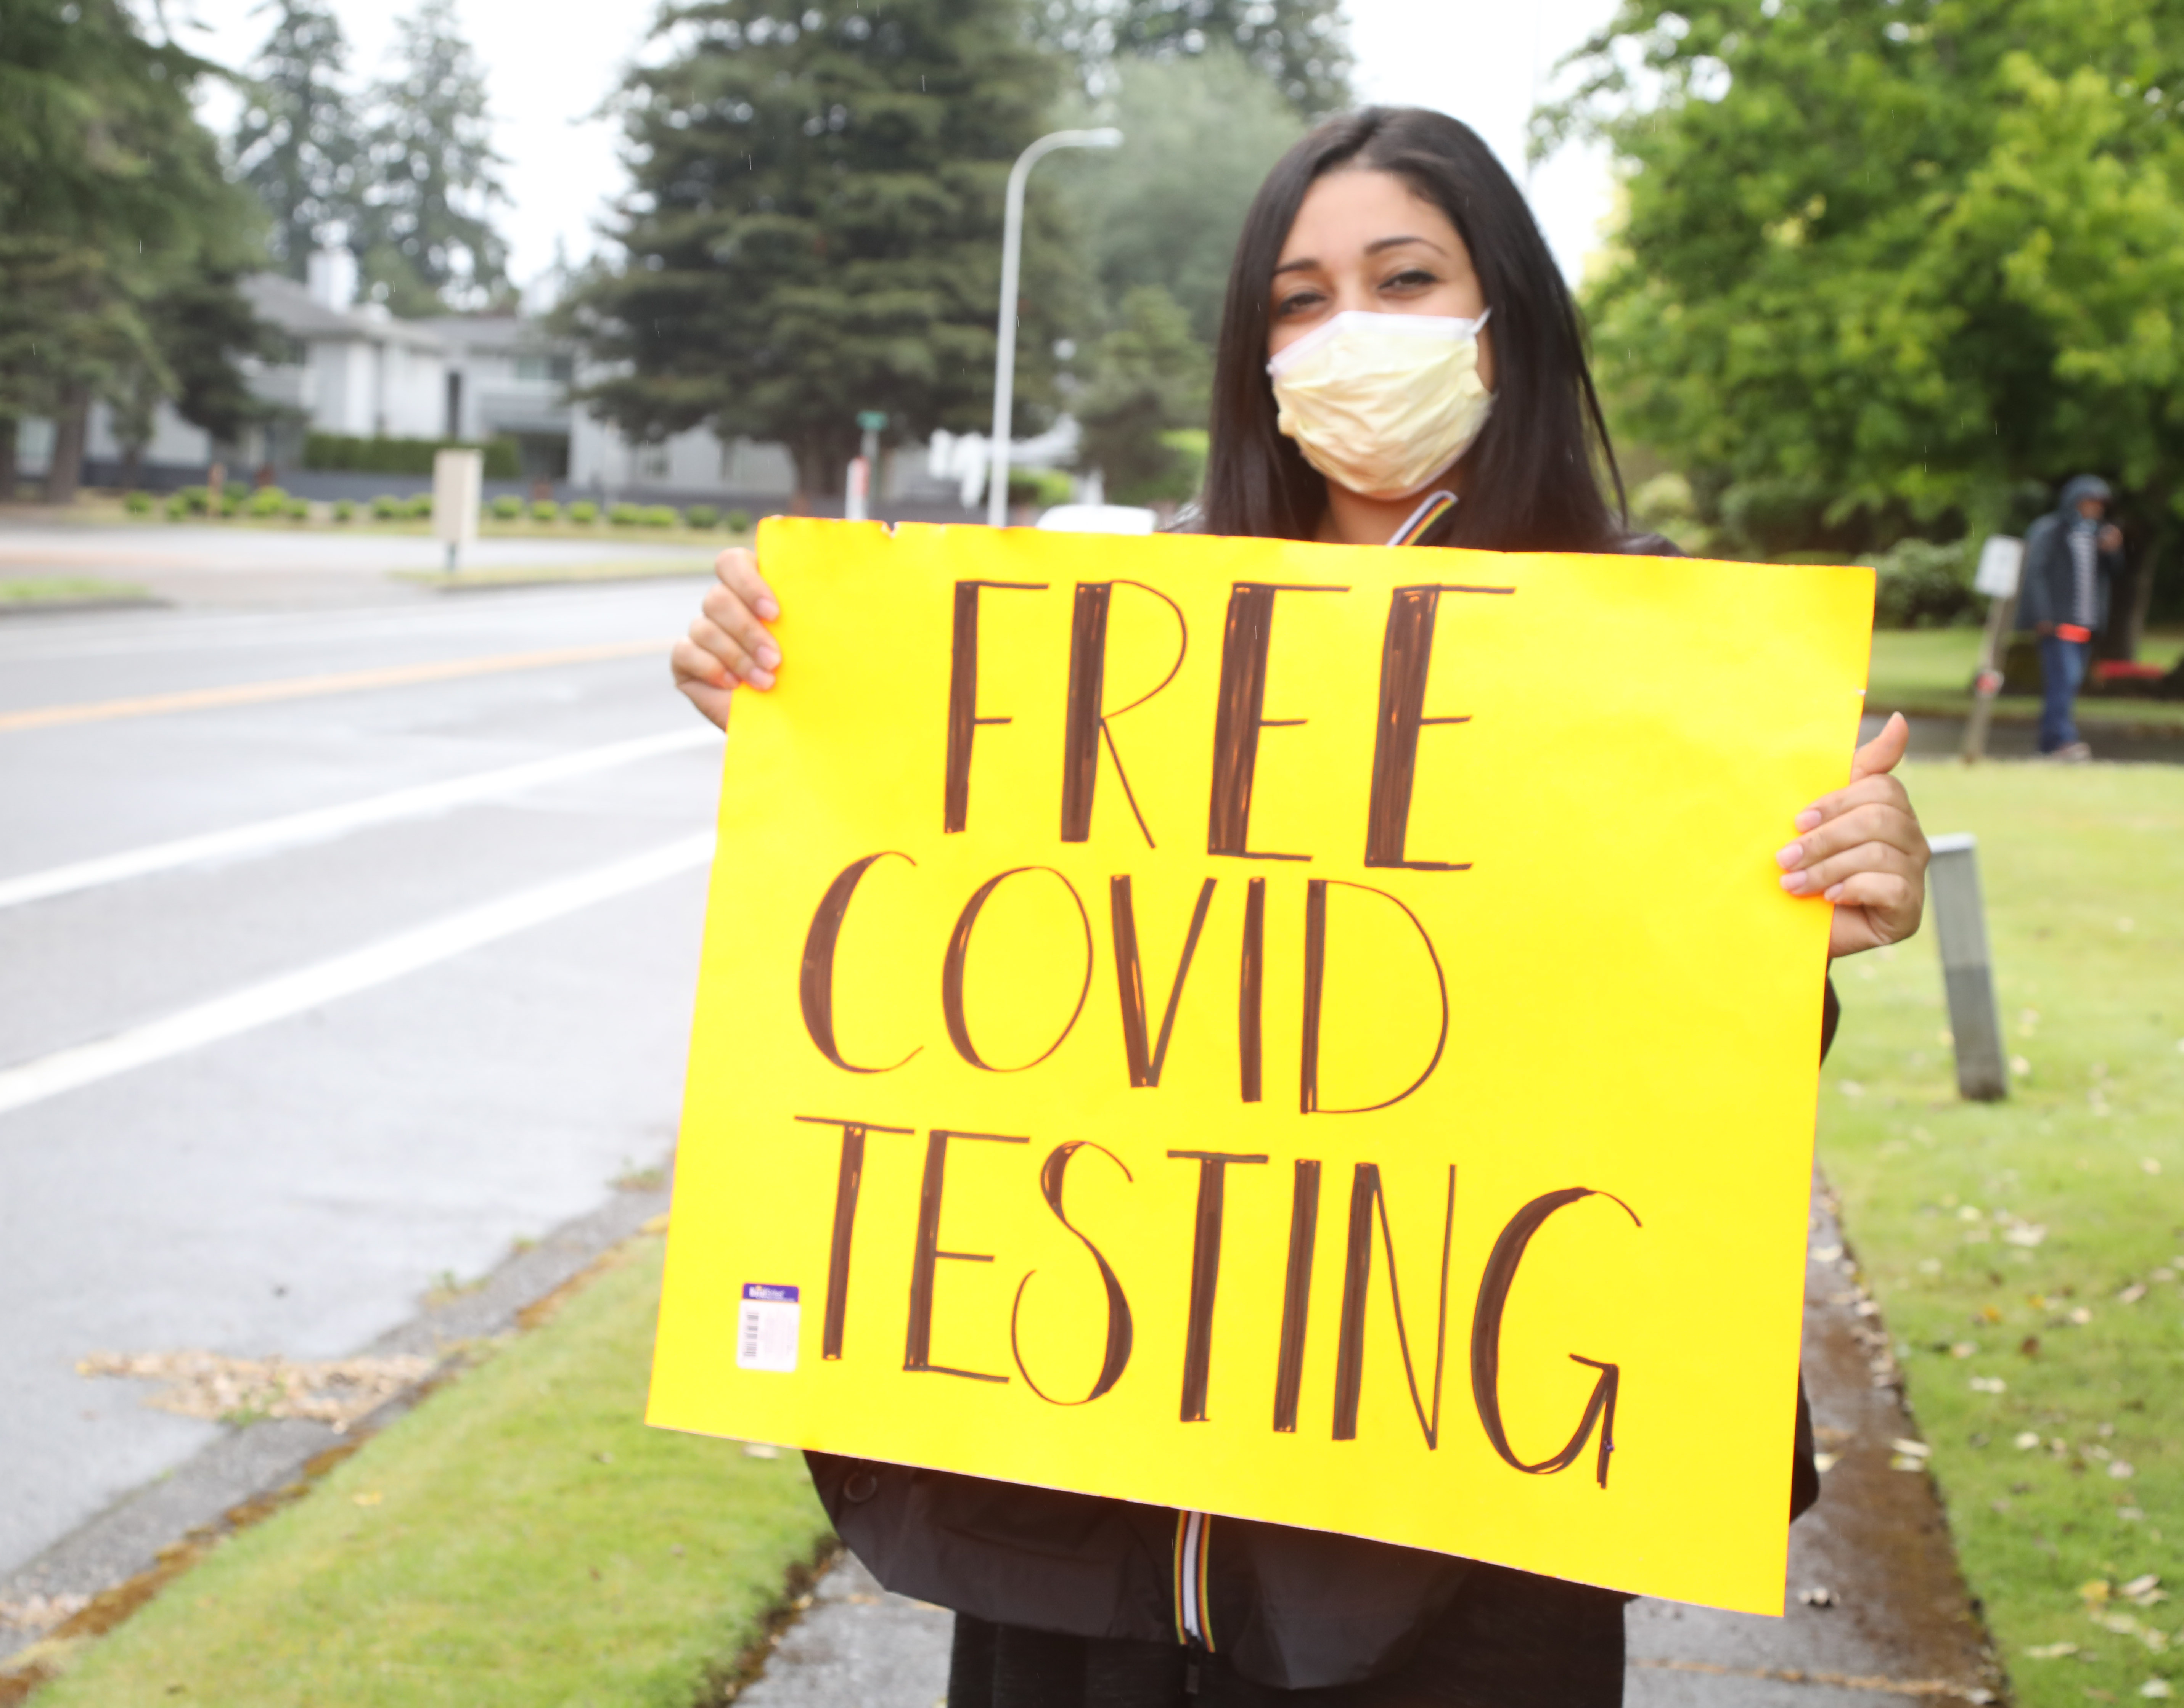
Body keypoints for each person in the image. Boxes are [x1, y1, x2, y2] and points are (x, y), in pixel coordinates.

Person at [671, 106, 1931, 1708]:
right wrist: (806, 701)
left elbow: (1666, 1107)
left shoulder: (1663, 668)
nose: (1347, 331)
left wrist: (1806, 918)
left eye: (1401, 278)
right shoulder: (1111, 638)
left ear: (1503, 318)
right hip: (1077, 1524)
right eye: (1295, 297)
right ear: (1249, 349)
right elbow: (988, 968)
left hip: (1454, 1558)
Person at [2015, 474, 2124, 761]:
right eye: (2089, 502)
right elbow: (2034, 573)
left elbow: (2114, 574)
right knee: (2064, 679)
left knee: (2069, 682)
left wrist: (2113, 551)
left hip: (2084, 624)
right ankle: (2063, 741)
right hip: (2058, 623)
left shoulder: (2097, 535)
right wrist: (2043, 615)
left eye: (2099, 504)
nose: (2095, 508)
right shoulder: (2051, 530)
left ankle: (2050, 744)